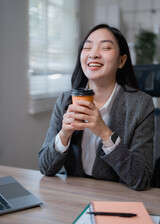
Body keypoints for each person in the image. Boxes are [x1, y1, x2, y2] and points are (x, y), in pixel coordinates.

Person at [38, 24, 155, 191]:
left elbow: (141, 179)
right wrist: (64, 134)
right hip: (73, 196)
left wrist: (105, 133)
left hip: (118, 199)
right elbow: (45, 168)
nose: (93, 54)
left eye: (106, 47)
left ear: (121, 61)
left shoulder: (141, 105)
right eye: (87, 48)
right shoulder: (66, 100)